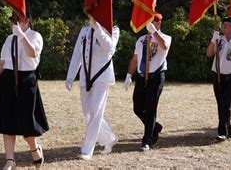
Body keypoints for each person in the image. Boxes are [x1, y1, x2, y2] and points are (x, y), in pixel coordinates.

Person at [0, 12, 48, 169]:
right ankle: (10, 160)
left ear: (28, 20)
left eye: (19, 21)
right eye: (13, 21)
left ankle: (35, 149)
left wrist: (21, 35)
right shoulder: (9, 39)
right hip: (7, 79)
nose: (15, 24)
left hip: (27, 80)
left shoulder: (35, 36)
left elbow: (32, 53)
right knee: (7, 121)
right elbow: (3, 61)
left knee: (26, 121)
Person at [66, 18, 120, 160]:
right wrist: (71, 75)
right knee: (88, 112)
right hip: (86, 77)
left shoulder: (113, 30)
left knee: (96, 112)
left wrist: (98, 29)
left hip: (102, 77)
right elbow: (77, 54)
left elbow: (110, 48)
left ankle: (87, 150)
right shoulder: (84, 30)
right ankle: (109, 138)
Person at [124, 12, 172, 151]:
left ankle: (147, 140)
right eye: (149, 23)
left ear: (159, 23)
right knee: (138, 108)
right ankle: (155, 127)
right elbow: (135, 58)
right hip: (141, 76)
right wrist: (129, 74)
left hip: (156, 76)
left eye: (154, 22)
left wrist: (154, 32)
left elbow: (163, 46)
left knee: (151, 108)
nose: (150, 25)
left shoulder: (165, 37)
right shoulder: (141, 40)